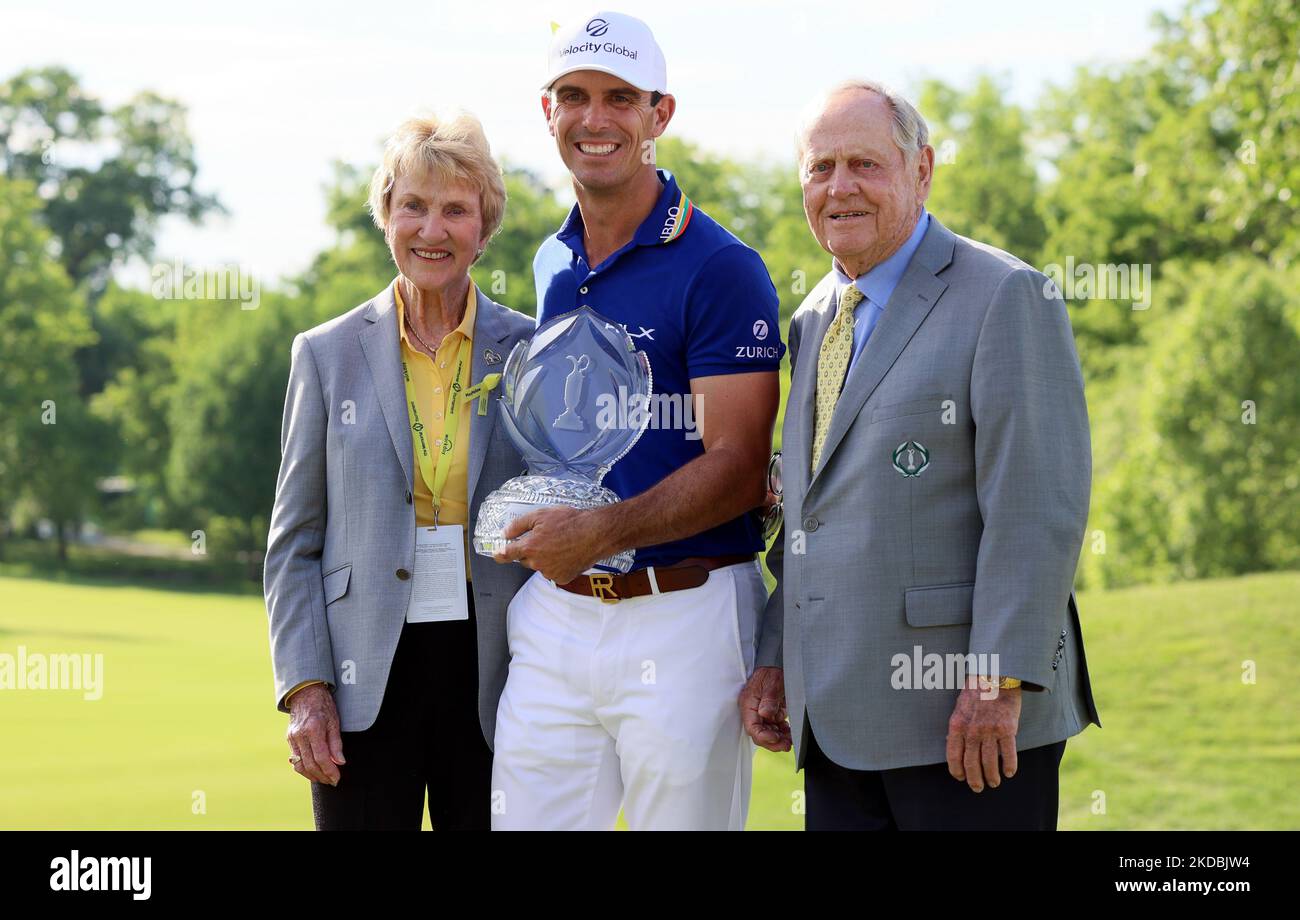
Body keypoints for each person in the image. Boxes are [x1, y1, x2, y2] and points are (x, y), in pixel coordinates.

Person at [742, 81, 1100, 830]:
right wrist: (777, 654)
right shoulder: (812, 319)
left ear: (922, 169)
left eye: (865, 165)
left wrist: (998, 680)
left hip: (966, 728)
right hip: (837, 726)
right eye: (820, 168)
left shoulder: (1006, 296)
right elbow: (812, 515)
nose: (839, 187)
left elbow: (1036, 511)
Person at [490, 10, 783, 830]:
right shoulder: (551, 263)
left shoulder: (721, 268)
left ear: (661, 115)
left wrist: (599, 529)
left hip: (684, 612)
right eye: (574, 96)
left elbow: (738, 466)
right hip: (555, 617)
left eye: (622, 98)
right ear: (546, 111)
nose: (595, 118)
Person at [264, 112, 534, 830]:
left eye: (455, 209)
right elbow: (293, 545)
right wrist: (307, 689)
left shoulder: (533, 351)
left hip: (498, 676)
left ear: (484, 226)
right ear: (386, 215)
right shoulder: (324, 355)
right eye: (412, 204)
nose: (431, 229)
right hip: (361, 680)